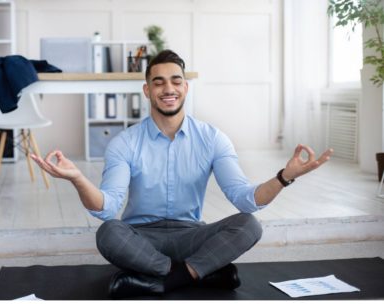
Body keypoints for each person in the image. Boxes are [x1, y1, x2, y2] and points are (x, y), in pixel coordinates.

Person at [31, 49, 333, 299]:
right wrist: (77, 178)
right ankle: (200, 273)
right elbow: (108, 207)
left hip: (191, 235)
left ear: (185, 87)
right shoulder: (124, 142)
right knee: (109, 233)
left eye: (176, 81)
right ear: (147, 90)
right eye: (159, 82)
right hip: (141, 237)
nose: (168, 89)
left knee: (249, 225)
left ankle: (163, 279)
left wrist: (283, 177)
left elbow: (245, 201)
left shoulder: (213, 138)